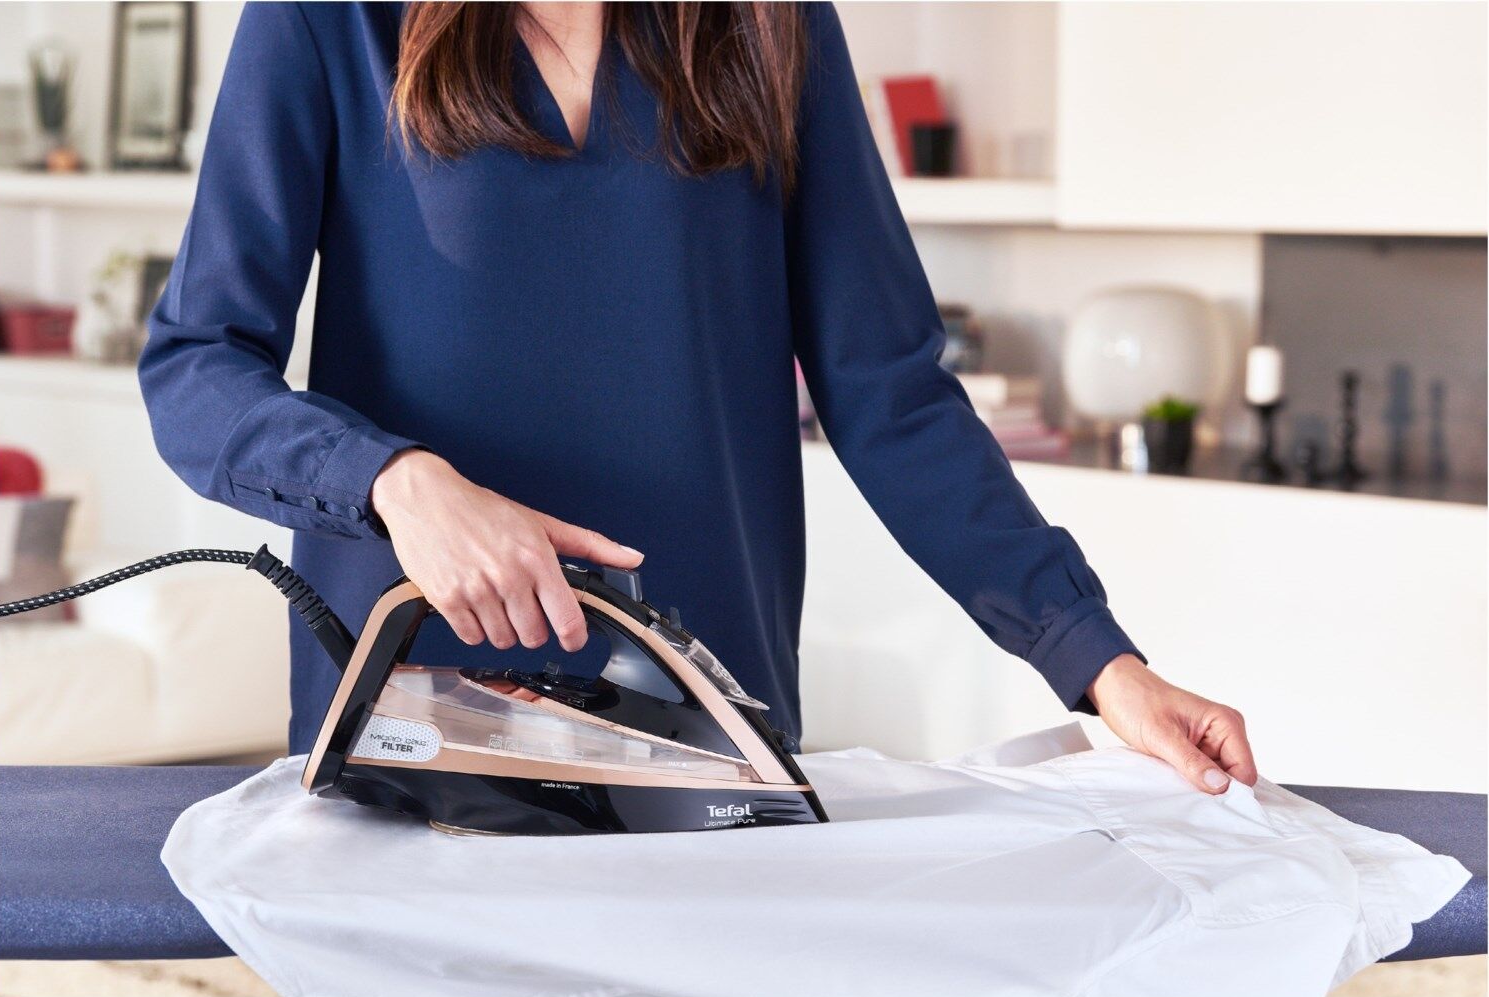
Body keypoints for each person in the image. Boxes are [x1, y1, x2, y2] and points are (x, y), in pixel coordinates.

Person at [140, 1, 1256, 794]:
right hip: (415, 721)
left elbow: (894, 394)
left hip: (706, 729)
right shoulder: (327, 17)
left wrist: (1096, 662)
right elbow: (196, 363)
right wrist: (396, 483)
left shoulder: (770, 23)